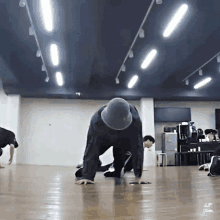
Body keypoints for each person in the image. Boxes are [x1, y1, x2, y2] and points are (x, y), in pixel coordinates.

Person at [75, 97, 148, 185]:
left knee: (119, 160)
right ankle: (88, 169)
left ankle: (116, 172)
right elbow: (91, 148)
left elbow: (138, 148)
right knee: (94, 153)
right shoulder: (97, 120)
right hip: (104, 136)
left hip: (124, 136)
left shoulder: (135, 120)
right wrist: (87, 177)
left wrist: (138, 176)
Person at [75, 135, 155, 177]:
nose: (151, 145)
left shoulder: (138, 146)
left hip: (119, 164)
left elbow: (133, 159)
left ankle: (88, 165)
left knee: (103, 168)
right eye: (152, 143)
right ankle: (87, 167)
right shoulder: (137, 145)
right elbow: (130, 158)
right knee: (103, 169)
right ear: (148, 140)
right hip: (118, 164)